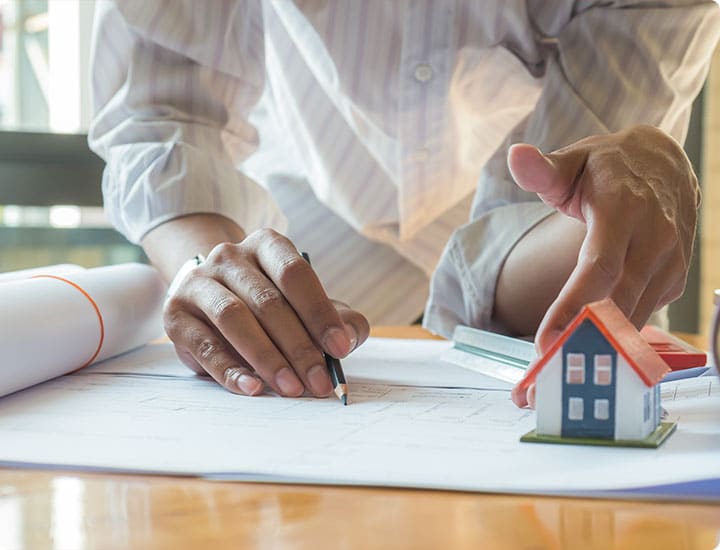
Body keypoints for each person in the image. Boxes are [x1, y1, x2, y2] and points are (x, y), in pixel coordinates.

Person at [89, 1, 720, 403]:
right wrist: (210, 268)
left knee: (608, 399)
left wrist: (611, 213)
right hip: (304, 208)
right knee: (262, 361)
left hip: (529, 229)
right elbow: (162, 114)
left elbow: (573, 220)